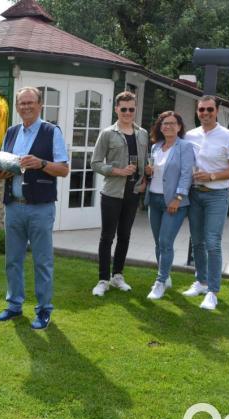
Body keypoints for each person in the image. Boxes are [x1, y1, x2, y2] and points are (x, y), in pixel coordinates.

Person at [0, 87, 69, 330]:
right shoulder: (11, 132)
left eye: (30, 102)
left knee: (42, 261)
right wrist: (0, 171)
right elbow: (6, 166)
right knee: (12, 259)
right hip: (14, 205)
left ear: (40, 105)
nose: (26, 106)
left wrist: (41, 163)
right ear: (17, 106)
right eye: (22, 103)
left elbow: (64, 169)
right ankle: (14, 305)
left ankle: (44, 310)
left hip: (40, 207)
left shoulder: (51, 131)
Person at [183, 95, 229, 310]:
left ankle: (213, 291)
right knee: (197, 241)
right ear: (197, 111)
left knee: (212, 242)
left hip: (217, 195)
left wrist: (212, 176)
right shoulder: (190, 135)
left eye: (210, 110)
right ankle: (201, 282)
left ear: (217, 111)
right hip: (194, 194)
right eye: (201, 110)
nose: (205, 114)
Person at [90, 91, 148, 296]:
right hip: (112, 193)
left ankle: (118, 276)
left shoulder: (142, 133)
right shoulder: (107, 133)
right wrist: (118, 171)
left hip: (133, 193)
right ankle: (103, 279)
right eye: (123, 109)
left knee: (125, 236)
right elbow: (95, 163)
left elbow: (145, 163)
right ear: (116, 109)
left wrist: (145, 181)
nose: (127, 113)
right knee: (107, 237)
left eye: (131, 109)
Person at [143, 111, 195, 300]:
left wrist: (179, 197)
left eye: (172, 123)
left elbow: (186, 174)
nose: (168, 126)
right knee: (159, 243)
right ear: (160, 127)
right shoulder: (156, 147)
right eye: (164, 123)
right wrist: (148, 171)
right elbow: (154, 174)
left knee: (166, 242)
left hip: (174, 202)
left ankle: (160, 282)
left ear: (179, 127)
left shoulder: (185, 147)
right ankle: (165, 276)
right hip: (154, 200)